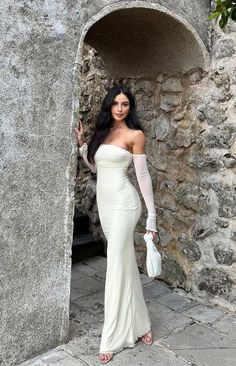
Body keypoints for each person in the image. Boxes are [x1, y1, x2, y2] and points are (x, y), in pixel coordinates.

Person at [74, 85, 158, 364]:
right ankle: (142, 324)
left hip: (125, 204)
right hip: (107, 206)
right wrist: (84, 148)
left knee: (115, 265)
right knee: (123, 265)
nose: (121, 108)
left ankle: (111, 337)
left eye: (125, 104)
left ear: (130, 107)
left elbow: (143, 177)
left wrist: (152, 217)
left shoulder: (136, 135)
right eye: (116, 104)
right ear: (109, 106)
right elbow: (99, 169)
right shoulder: (103, 133)